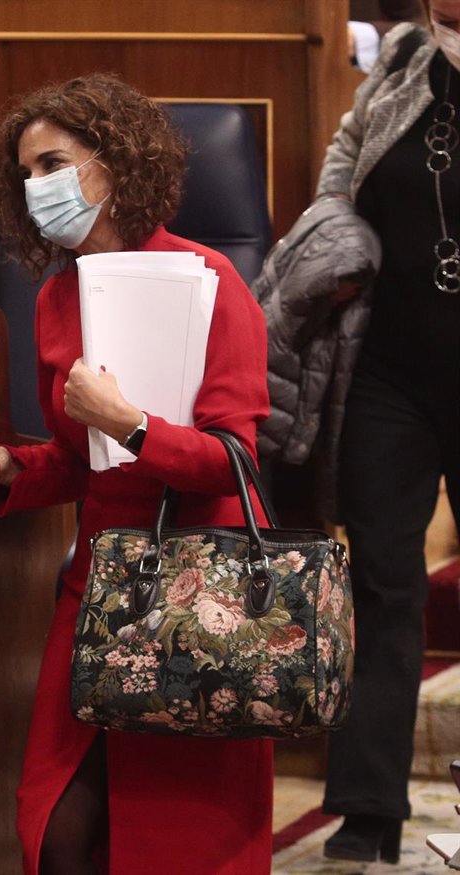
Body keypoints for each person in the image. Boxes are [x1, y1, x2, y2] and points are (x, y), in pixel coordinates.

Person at [0, 73, 273, 874]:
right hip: (101, 584)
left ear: (115, 162)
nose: (37, 187)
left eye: (53, 164)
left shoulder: (209, 278)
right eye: (25, 173)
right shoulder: (55, 298)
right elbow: (80, 458)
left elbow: (232, 459)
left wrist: (131, 423)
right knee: (56, 827)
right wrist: (11, 467)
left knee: (178, 841)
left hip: (201, 592)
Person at [257, 1, 460, 863]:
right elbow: (340, 174)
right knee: (382, 582)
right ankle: (369, 808)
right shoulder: (406, 59)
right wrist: (341, 240)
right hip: (391, 371)